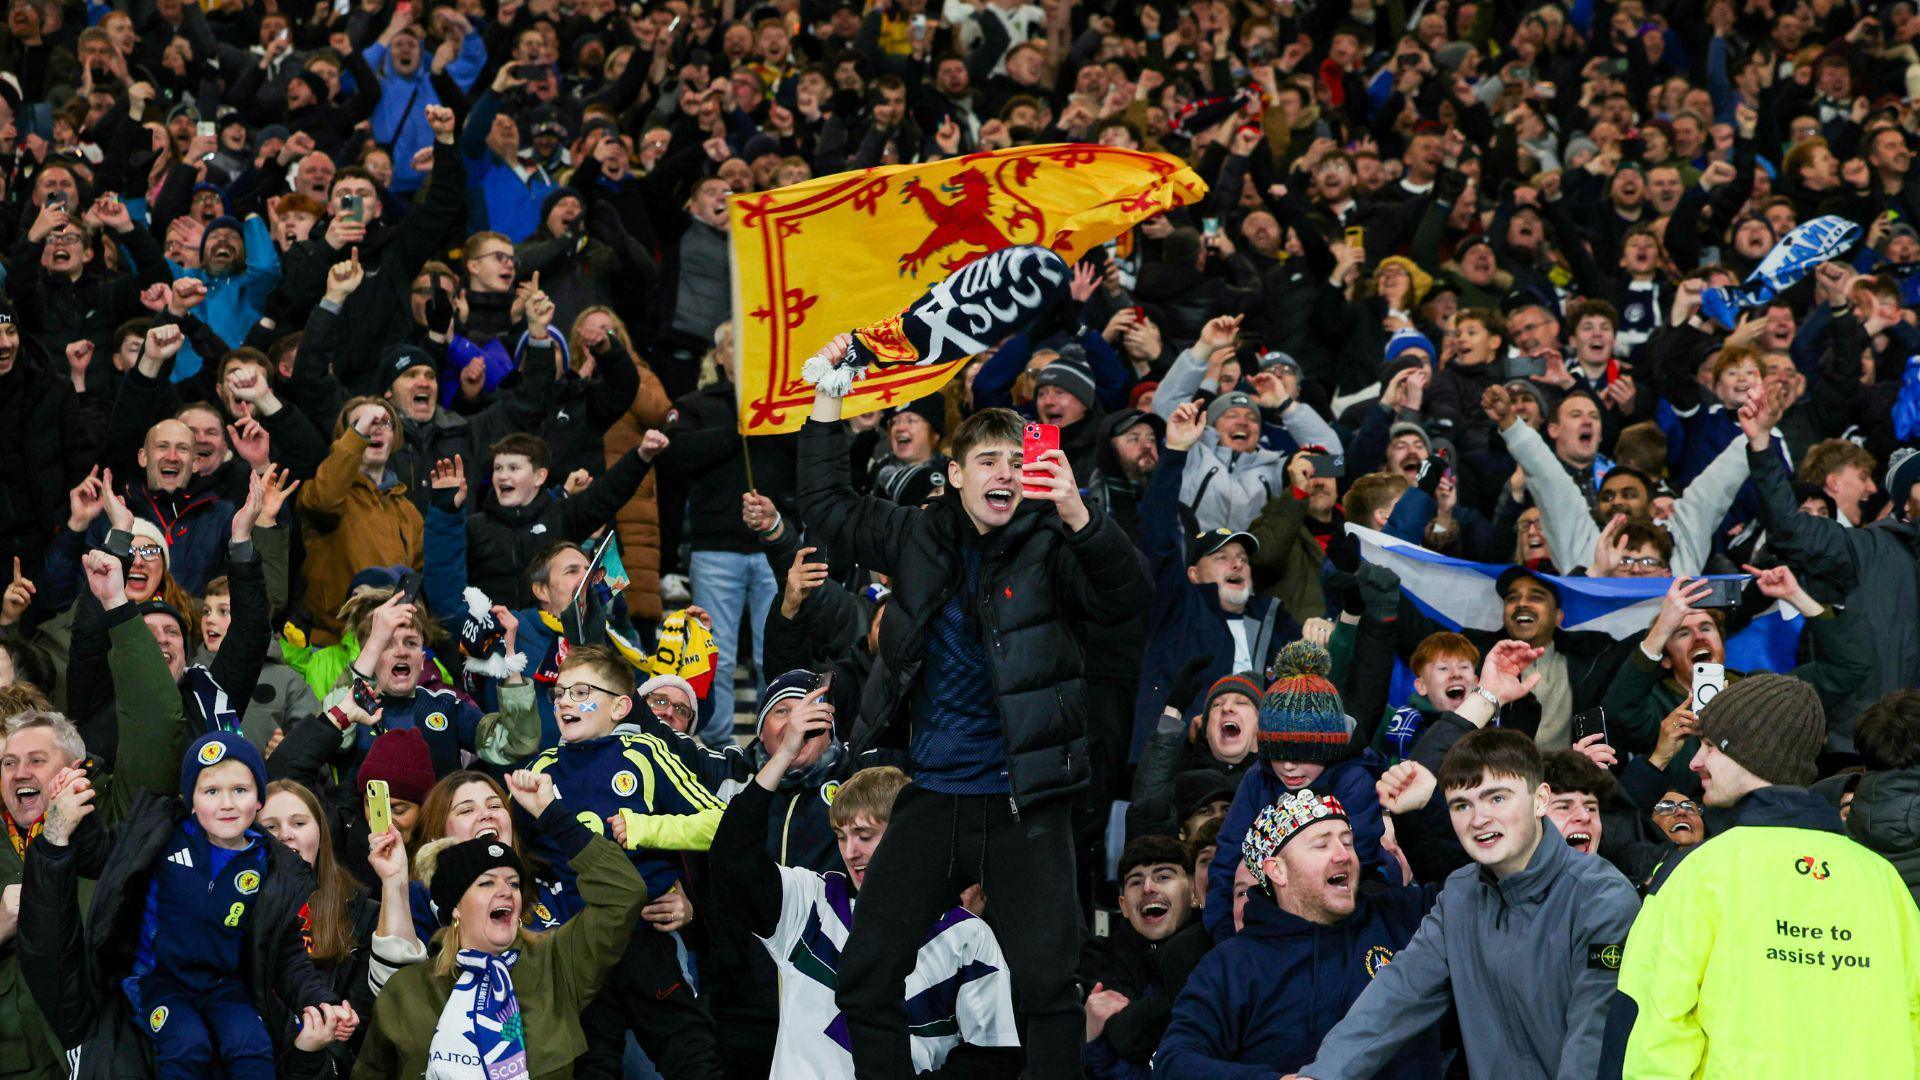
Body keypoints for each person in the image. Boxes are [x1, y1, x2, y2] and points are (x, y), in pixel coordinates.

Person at [799, 335, 1147, 1078]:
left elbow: (1128, 601)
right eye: (988, 461)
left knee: (1049, 989)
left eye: (1019, 465)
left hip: (1027, 806)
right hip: (934, 795)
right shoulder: (917, 534)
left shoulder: (1056, 541)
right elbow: (826, 504)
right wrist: (829, 392)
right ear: (954, 474)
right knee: (864, 978)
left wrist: (1080, 514)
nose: (1006, 474)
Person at [1598, 674, 1920, 1078]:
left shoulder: (1699, 870)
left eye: (1711, 746)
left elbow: (1651, 1024)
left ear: (1751, 755)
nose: (1696, 762)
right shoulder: (1880, 879)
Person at [1292, 719, 1641, 1079]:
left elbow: (1593, 1040)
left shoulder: (1602, 899)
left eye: (1497, 798)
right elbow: (1399, 994)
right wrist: (1319, 1075)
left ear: (1540, 800)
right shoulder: (1460, 894)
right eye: (1461, 805)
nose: (1478, 818)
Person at [18, 731, 357, 1078]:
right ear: (191, 800)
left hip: (224, 986)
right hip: (159, 980)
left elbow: (289, 958)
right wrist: (80, 805)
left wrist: (322, 1001)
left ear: (258, 801)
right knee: (186, 1043)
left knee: (252, 1047)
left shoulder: (272, 867)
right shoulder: (159, 835)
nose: (227, 803)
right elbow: (102, 858)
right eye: (211, 791)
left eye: (240, 790)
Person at [711, 705, 1022, 1078]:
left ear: (904, 835)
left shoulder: (966, 934)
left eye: (865, 836)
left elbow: (994, 1057)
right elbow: (731, 860)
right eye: (842, 837)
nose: (850, 852)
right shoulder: (811, 902)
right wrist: (784, 754)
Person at [349, 769, 650, 1077]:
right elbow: (389, 988)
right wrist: (394, 881)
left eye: (513, 883)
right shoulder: (414, 980)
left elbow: (622, 895)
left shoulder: (554, 960)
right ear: (453, 906)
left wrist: (551, 814)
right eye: (486, 883)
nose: (505, 891)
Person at [1155, 788, 1440, 1078]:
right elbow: (1174, 1060)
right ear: (1278, 871)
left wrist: (1429, 806)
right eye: (1321, 845)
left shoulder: (1398, 916)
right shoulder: (1234, 965)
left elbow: (1472, 891)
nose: (1344, 855)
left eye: (1347, 842)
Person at [1205, 640, 1386, 941]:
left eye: (1303, 754)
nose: (1288, 767)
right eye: (1277, 753)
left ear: (1328, 748)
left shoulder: (1354, 780)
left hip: (1340, 932)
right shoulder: (1257, 780)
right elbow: (1225, 863)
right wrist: (1227, 941)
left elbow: (1357, 865)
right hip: (1257, 930)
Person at [1080, 835, 1210, 1078]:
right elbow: (1126, 1035)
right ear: (1124, 906)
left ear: (1194, 892)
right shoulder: (1099, 957)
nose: (1148, 887)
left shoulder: (1213, 946)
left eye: (1163, 876)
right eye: (1135, 882)